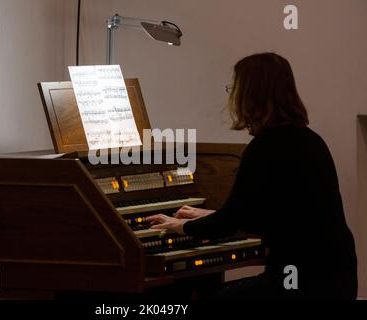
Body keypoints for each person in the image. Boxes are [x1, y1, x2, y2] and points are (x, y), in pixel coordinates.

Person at [146, 52, 358, 300]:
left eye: (234, 88)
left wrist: (181, 226)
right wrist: (213, 214)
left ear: (249, 95)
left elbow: (229, 222)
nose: (232, 96)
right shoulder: (311, 140)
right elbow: (276, 216)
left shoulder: (264, 147)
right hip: (336, 277)